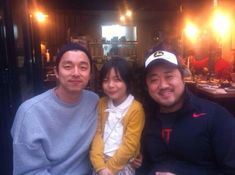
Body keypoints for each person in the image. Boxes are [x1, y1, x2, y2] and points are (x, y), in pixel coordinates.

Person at [137, 50, 235, 175]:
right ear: (147, 86)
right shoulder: (145, 118)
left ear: (183, 79)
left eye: (169, 76)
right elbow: (144, 165)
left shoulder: (215, 117)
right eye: (154, 80)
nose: (163, 85)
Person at [11, 43, 99, 175]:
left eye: (83, 67)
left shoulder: (94, 101)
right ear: (56, 72)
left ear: (90, 74)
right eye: (68, 67)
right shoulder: (29, 113)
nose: (76, 73)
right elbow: (29, 171)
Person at [90, 57, 145, 175]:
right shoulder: (101, 103)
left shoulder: (135, 109)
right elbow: (97, 134)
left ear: (128, 81)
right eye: (105, 80)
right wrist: (100, 167)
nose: (110, 85)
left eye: (117, 79)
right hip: (100, 164)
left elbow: (130, 144)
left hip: (122, 165)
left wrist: (109, 169)